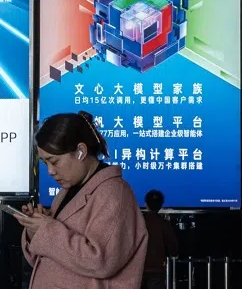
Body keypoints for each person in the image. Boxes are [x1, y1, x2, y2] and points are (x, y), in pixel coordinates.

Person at [17, 111, 147, 289]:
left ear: (80, 151)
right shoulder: (66, 192)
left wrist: (46, 230)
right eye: (45, 164)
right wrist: (35, 230)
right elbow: (48, 260)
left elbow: (101, 261)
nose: (50, 171)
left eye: (54, 162)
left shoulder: (114, 193)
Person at [142, 190, 178, 289]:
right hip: (156, 270)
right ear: (161, 205)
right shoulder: (164, 224)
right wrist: (174, 254)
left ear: (145, 204)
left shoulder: (138, 222)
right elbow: (172, 247)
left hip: (138, 268)